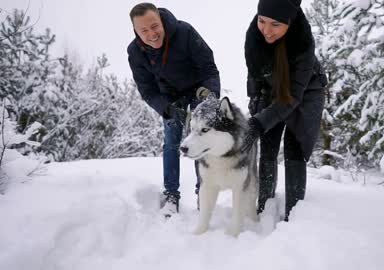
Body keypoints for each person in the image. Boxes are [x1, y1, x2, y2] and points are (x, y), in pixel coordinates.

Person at [127, 2, 220, 217]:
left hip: (199, 90)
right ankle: (171, 196)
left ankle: (203, 192)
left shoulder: (185, 32)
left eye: (154, 26)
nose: (151, 34)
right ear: (136, 31)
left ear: (161, 21)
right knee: (171, 141)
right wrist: (166, 109)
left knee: (200, 138)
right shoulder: (135, 52)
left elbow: (209, 68)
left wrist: (209, 97)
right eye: (144, 30)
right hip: (169, 97)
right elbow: (147, 90)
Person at [241, 0, 328, 221]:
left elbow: (293, 97)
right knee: (268, 143)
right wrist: (256, 107)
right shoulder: (255, 35)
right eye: (262, 21)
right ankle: (264, 207)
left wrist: (259, 122)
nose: (266, 31)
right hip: (272, 90)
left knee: (294, 146)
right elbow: (255, 74)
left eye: (275, 25)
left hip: (306, 93)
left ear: (289, 22)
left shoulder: (303, 45)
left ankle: (295, 214)